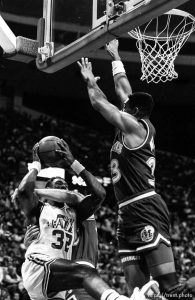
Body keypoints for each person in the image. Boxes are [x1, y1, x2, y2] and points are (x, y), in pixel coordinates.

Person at [77, 41, 192, 299]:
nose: (123, 106)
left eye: (126, 107)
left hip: (145, 206)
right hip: (126, 211)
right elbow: (121, 87)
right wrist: (115, 55)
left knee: (170, 285)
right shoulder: (134, 120)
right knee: (136, 290)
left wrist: (89, 81)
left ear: (135, 112)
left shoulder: (136, 128)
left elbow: (98, 103)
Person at [15, 138, 156, 300]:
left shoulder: (74, 213)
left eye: (64, 185)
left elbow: (99, 194)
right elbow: (23, 192)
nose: (63, 187)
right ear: (47, 191)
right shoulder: (39, 209)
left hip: (54, 277)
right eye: (58, 185)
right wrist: (36, 165)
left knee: (86, 274)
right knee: (85, 273)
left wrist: (73, 162)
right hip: (39, 265)